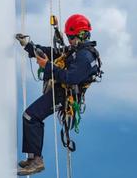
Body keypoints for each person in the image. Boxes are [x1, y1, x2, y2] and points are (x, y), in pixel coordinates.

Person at [16, 14, 101, 176]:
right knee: (30, 116)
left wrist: (47, 66)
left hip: (64, 95)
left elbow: (70, 78)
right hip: (61, 92)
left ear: (80, 35)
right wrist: (29, 46)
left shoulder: (84, 57)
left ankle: (36, 161)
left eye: (70, 37)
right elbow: (55, 52)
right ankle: (33, 158)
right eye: (68, 37)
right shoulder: (78, 51)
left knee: (31, 116)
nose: (69, 40)